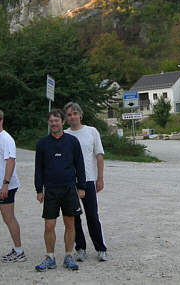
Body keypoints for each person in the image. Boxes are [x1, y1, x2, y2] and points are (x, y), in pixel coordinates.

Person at [34, 109, 86, 272]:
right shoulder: (42, 143)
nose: (54, 124)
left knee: (70, 223)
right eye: (51, 121)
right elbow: (38, 169)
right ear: (48, 123)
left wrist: (81, 186)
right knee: (49, 225)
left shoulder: (72, 142)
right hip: (50, 190)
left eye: (57, 120)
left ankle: (68, 255)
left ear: (63, 122)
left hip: (69, 188)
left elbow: (80, 165)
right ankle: (50, 257)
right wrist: (39, 189)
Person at [64, 102, 108, 262]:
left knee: (92, 216)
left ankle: (101, 248)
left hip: (89, 180)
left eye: (75, 113)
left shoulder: (91, 131)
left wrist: (100, 177)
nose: (73, 117)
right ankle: (80, 247)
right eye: (69, 114)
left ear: (80, 115)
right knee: (74, 217)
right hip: (71, 182)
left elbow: (99, 155)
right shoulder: (65, 134)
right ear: (66, 118)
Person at [0, 109, 26, 263]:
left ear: (1, 121)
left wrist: (5, 184)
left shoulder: (6, 139)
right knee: (7, 218)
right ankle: (17, 249)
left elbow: (11, 161)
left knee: (9, 219)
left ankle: (19, 251)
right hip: (0, 184)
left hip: (7, 185)